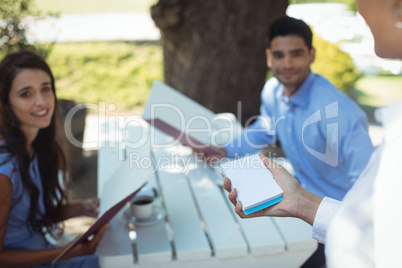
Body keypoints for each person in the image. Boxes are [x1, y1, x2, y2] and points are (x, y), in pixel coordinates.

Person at [224, 0, 402, 266]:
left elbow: (370, 193)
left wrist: (336, 225)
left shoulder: (339, 114)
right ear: (268, 57)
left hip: (343, 227)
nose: (287, 63)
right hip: (308, 210)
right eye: (279, 55)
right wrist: (224, 150)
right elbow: (265, 128)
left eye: (296, 54)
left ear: (311, 55)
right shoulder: (272, 91)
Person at [0, 51, 108, 267]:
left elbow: (31, 218)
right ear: (6, 102)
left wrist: (82, 207)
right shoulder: (4, 172)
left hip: (48, 254)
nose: (41, 101)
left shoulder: (35, 146)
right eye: (25, 94)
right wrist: (67, 252)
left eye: (46, 89)